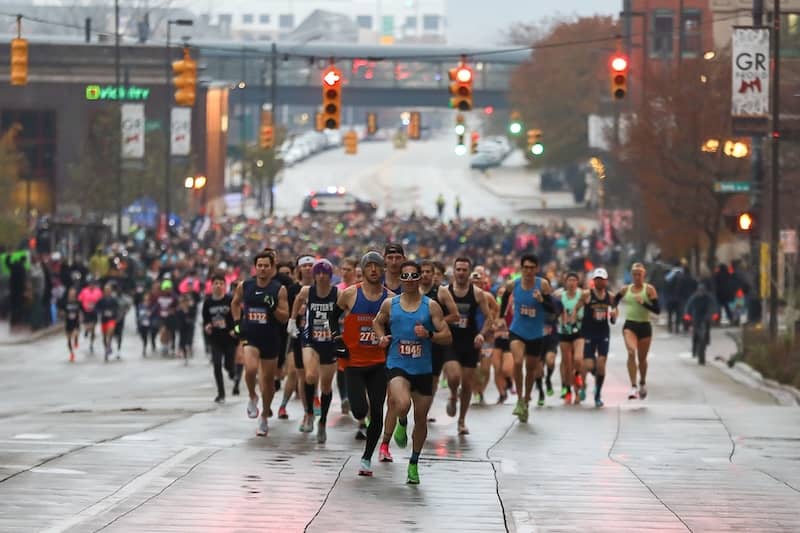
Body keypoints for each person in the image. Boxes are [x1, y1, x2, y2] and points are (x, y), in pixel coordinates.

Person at [373, 260, 452, 484]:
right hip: (398, 363)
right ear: (400, 280)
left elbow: (447, 336)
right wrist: (381, 337)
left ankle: (414, 463)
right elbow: (377, 322)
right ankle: (400, 421)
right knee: (402, 403)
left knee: (421, 418)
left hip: (423, 368)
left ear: (419, 279)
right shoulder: (391, 304)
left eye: (412, 277)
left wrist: (429, 335)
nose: (408, 281)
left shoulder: (431, 306)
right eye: (404, 277)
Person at [338, 251, 394, 475]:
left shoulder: (390, 299)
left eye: (377, 266)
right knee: (360, 411)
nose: (373, 269)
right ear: (363, 269)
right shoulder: (349, 294)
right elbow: (332, 317)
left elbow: (396, 327)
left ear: (383, 270)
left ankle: (367, 458)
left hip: (379, 362)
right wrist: (335, 339)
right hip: (354, 363)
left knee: (378, 411)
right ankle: (362, 419)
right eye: (369, 266)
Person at [231, 251, 289, 437]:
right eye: (260, 265)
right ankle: (252, 396)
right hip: (251, 336)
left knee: (268, 382)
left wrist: (273, 308)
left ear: (272, 268)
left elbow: (284, 317)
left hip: (271, 339)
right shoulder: (245, 286)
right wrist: (237, 322)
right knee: (250, 369)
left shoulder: (278, 289)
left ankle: (264, 414)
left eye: (266, 266)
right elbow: (235, 303)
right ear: (255, 267)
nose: (263, 269)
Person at [442, 257, 494, 435]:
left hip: (470, 341)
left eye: (465, 270)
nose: (461, 273)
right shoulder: (445, 292)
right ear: (454, 271)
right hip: (450, 341)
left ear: (469, 272)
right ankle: (452, 394)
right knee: (454, 377)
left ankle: (462, 421)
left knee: (467, 384)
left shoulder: (477, 293)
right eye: (459, 269)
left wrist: (481, 334)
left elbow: (489, 318)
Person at [289, 259, 339, 442]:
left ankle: (323, 421)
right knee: (310, 376)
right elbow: (297, 301)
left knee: (326, 386)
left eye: (324, 273)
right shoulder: (307, 291)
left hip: (330, 342)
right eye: (318, 273)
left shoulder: (337, 293)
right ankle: (309, 413)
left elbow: (347, 309)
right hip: (310, 339)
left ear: (330, 275)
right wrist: (292, 321)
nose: (320, 276)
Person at [500, 254, 554, 423]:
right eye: (526, 267)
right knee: (517, 361)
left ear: (536, 269)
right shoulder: (514, 284)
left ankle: (526, 399)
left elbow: (552, 309)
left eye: (532, 268)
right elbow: (504, 297)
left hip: (536, 333)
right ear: (521, 268)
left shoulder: (542, 284)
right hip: (517, 330)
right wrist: (501, 316)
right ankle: (519, 399)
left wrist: (541, 300)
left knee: (531, 369)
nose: (529, 271)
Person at [614, 263, 660, 400]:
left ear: (643, 275)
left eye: (639, 274)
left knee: (642, 359)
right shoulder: (625, 289)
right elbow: (613, 301)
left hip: (645, 326)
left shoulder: (649, 289)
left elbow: (657, 310)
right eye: (634, 274)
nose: (637, 277)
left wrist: (643, 303)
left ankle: (642, 382)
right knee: (631, 352)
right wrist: (613, 309)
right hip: (630, 326)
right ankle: (633, 386)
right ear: (631, 275)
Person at [580, 268, 616, 407]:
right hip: (588, 332)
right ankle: (584, 385)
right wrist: (573, 317)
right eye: (597, 280)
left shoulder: (610, 296)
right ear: (593, 281)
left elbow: (614, 311)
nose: (599, 282)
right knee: (589, 365)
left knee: (601, 364)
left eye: (602, 280)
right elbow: (577, 307)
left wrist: (613, 315)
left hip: (603, 333)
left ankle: (597, 393)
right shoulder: (587, 294)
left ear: (606, 281)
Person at [202, 272, 237, 403]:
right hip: (215, 338)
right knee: (216, 365)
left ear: (225, 285)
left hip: (229, 338)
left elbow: (238, 316)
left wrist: (235, 329)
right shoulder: (208, 302)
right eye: (216, 283)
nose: (218, 286)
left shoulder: (230, 300)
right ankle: (221, 393)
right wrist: (207, 326)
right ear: (211, 286)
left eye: (221, 283)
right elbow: (205, 319)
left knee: (229, 365)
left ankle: (232, 373)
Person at [556, 272, 585, 405]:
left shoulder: (583, 294)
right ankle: (568, 390)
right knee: (567, 363)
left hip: (579, 331)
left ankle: (578, 379)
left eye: (574, 280)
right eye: (569, 280)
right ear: (565, 282)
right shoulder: (559, 295)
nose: (572, 283)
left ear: (578, 282)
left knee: (578, 359)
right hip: (564, 332)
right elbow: (552, 308)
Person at [684, 283, 717, 365]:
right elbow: (688, 305)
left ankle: (707, 341)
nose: (701, 292)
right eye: (699, 291)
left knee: (707, 330)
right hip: (696, 317)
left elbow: (713, 305)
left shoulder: (708, 297)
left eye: (702, 291)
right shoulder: (694, 297)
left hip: (705, 317)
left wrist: (714, 313)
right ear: (698, 291)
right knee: (695, 333)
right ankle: (694, 349)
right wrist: (687, 314)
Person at [95, 283, 120, 361]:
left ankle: (108, 346)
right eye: (106, 290)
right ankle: (107, 349)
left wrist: (113, 313)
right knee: (104, 337)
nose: (107, 291)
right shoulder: (101, 300)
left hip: (111, 319)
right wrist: (102, 312)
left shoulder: (114, 300)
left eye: (109, 290)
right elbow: (97, 308)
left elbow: (117, 308)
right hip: (104, 320)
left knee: (110, 331)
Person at [78, 278, 102, 353]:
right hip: (86, 311)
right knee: (87, 326)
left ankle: (91, 344)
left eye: (93, 284)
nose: (91, 285)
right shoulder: (84, 291)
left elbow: (101, 301)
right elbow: (80, 300)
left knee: (93, 329)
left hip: (94, 312)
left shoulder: (98, 291)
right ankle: (86, 330)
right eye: (90, 284)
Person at [63, 287, 81, 362]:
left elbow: (81, 310)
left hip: (75, 322)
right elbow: (62, 311)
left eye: (73, 294)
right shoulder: (66, 302)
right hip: (68, 322)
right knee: (69, 339)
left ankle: (76, 339)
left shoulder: (78, 302)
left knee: (75, 333)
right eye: (70, 294)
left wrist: (81, 316)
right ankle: (72, 354)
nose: (72, 295)